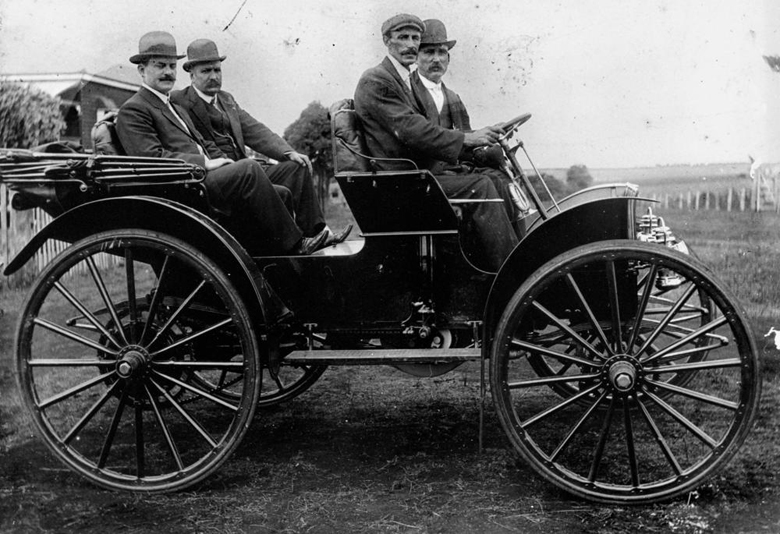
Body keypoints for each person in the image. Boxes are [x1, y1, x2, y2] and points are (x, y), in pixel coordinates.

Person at [115, 31, 328, 255]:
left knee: (282, 191)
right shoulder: (135, 108)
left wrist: (219, 160)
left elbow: (216, 138)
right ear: (141, 70)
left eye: (171, 66)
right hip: (186, 187)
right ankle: (296, 245)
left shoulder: (172, 106)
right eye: (160, 66)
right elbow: (150, 160)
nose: (168, 72)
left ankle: (280, 261)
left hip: (201, 178)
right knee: (249, 168)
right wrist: (205, 163)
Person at [353, 14, 518, 271]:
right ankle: (511, 274)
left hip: (416, 176)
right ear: (387, 41)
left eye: (415, 38)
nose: (410, 45)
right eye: (403, 38)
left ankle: (498, 263)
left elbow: (421, 130)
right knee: (481, 186)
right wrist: (468, 138)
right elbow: (412, 130)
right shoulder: (377, 80)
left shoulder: (402, 80)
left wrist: (480, 144)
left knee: (497, 179)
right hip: (400, 182)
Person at [171, 39, 351, 246]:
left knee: (296, 167)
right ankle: (295, 243)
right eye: (206, 71)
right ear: (191, 73)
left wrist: (287, 152)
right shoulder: (180, 101)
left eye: (217, 70)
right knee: (252, 168)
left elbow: (255, 130)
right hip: (221, 178)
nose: (214, 77)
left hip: (248, 171)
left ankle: (319, 234)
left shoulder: (226, 99)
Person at [411, 19, 522, 225]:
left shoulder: (453, 97)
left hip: (457, 170)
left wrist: (489, 137)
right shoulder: (408, 92)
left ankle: (519, 247)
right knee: (485, 183)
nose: (436, 59)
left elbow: (468, 136)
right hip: (428, 175)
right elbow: (419, 138)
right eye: (428, 52)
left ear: (448, 58)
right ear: (416, 58)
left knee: (504, 180)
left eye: (441, 52)